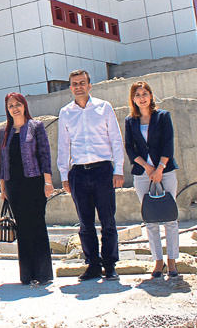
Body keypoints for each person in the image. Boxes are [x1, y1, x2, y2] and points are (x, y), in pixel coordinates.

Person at [57, 70, 124, 281]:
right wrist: (64, 175)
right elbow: (63, 145)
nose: (79, 87)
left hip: (103, 170)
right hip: (78, 173)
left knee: (108, 220)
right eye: (75, 84)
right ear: (70, 88)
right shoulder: (65, 113)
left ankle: (110, 265)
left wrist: (119, 169)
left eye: (82, 83)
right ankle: (93, 265)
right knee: (85, 223)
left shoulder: (104, 107)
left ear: (89, 85)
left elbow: (115, 139)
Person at [124, 81, 180, 278]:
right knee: (150, 219)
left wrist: (160, 168)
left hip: (165, 171)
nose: (142, 98)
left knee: (170, 218)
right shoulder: (130, 121)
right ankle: (158, 262)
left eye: (144, 93)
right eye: (137, 95)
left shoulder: (162, 116)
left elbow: (168, 143)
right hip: (142, 174)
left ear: (151, 95)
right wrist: (147, 167)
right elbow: (130, 148)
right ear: (133, 99)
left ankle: (172, 261)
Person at [0, 92, 54, 285]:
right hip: (14, 185)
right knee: (22, 227)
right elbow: (2, 161)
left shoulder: (36, 127)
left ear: (24, 106)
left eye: (18, 104)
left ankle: (43, 273)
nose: (15, 108)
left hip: (34, 182)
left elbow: (45, 155)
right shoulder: (4, 132)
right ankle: (27, 274)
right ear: (7, 109)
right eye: (11, 105)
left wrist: (48, 182)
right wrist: (3, 188)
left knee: (37, 225)